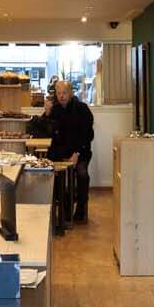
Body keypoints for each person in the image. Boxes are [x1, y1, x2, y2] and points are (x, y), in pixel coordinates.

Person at [48, 80, 95, 223]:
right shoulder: (55, 110)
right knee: (51, 173)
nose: (61, 96)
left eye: (64, 93)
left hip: (80, 152)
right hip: (60, 153)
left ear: (71, 93)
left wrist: (77, 153)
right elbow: (46, 131)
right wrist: (45, 114)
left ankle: (80, 208)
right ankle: (63, 207)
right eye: (59, 93)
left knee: (82, 175)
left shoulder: (82, 109)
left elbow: (87, 135)